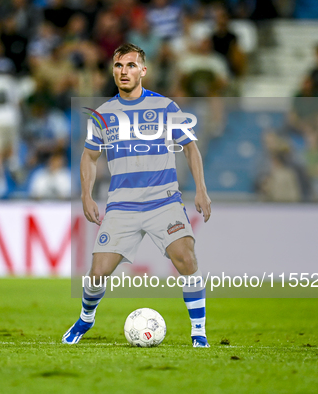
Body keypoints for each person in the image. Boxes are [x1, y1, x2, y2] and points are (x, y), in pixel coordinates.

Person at [62, 43, 212, 348]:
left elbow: (190, 148)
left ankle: (199, 331)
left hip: (164, 201)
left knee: (186, 258)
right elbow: (89, 157)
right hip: (122, 207)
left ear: (143, 70)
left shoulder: (166, 107)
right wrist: (86, 196)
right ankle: (85, 318)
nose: (124, 71)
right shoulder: (103, 115)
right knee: (97, 274)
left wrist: (201, 190)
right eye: (118, 66)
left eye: (131, 65)